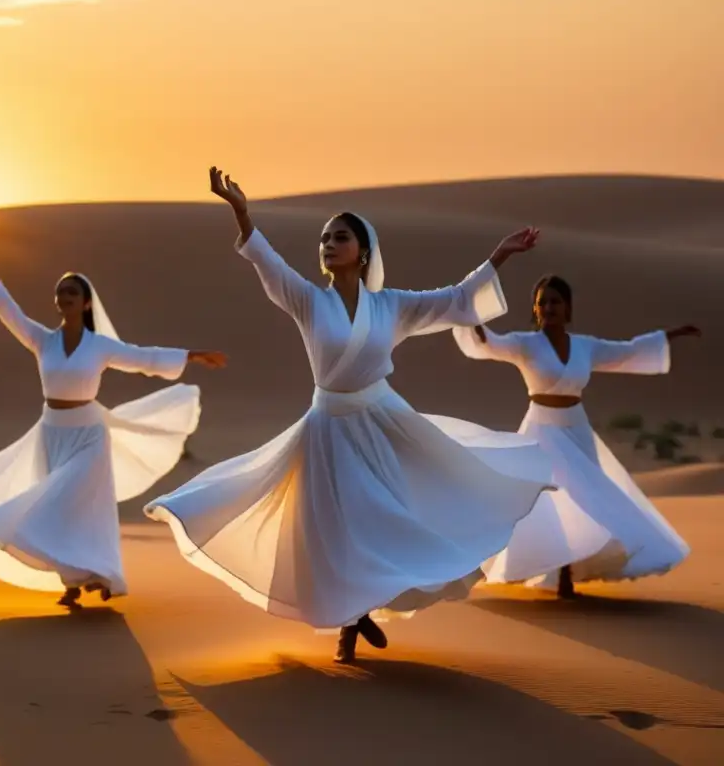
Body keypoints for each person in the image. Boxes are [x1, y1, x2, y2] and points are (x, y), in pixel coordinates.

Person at [145, 167, 556, 664]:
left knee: (383, 519)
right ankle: (350, 620)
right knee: (331, 527)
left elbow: (454, 300)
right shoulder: (307, 299)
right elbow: (267, 263)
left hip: (382, 422)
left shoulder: (392, 307)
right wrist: (241, 212)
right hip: (326, 427)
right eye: (323, 238)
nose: (328, 243)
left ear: (363, 252)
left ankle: (364, 608)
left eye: (340, 237)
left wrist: (499, 256)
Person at [0, 241, 227, 608]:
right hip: (51, 433)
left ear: (86, 302)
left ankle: (103, 574)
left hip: (89, 435)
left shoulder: (99, 345)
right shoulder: (42, 339)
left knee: (87, 508)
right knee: (58, 510)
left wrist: (191, 355)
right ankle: (71, 580)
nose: (64, 296)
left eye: (71, 291)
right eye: (60, 292)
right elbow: (7, 311)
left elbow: (142, 357)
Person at [452, 274, 700, 597]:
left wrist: (668, 337)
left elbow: (626, 352)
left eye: (555, 301)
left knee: (586, 500)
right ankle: (552, 574)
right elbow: (490, 344)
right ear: (535, 309)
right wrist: (471, 318)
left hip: (577, 429)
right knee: (549, 501)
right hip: (542, 430)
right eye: (543, 302)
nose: (549, 307)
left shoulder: (585, 346)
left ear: (567, 308)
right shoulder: (525, 344)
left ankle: (569, 570)